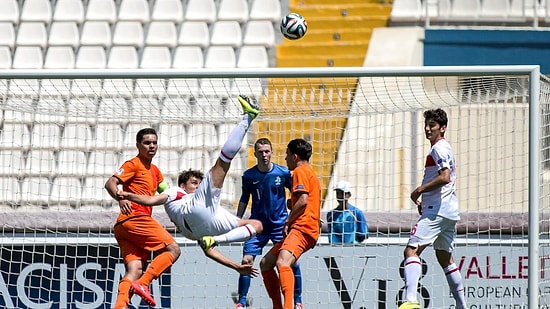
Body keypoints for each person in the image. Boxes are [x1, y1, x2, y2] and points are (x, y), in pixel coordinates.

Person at [116, 95, 263, 277]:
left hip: (204, 227)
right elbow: (153, 199)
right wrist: (128, 195)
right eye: (194, 183)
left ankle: (216, 240)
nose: (198, 187)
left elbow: (209, 251)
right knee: (223, 163)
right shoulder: (176, 192)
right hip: (195, 213)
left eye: (199, 184)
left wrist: (236, 267)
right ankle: (248, 117)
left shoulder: (176, 193)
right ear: (182, 185)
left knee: (256, 225)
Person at [104, 127, 181, 309]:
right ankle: (145, 283)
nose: (151, 146)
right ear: (138, 145)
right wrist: (120, 198)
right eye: (147, 143)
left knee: (135, 269)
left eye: (154, 142)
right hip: (135, 218)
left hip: (124, 227)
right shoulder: (133, 164)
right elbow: (110, 183)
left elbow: (166, 193)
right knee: (173, 250)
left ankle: (120, 306)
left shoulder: (155, 171)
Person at [398, 108, 467, 309]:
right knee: (445, 258)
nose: (427, 129)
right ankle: (462, 305)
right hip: (448, 211)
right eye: (426, 125)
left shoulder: (438, 148)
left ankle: (410, 301)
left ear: (443, 128)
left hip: (437, 210)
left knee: (411, 251)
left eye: (432, 126)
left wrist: (419, 190)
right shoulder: (444, 147)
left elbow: (444, 177)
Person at [234, 138, 304, 309]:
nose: (264, 155)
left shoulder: (282, 173)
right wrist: (236, 221)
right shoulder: (249, 176)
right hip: (257, 225)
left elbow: (297, 194)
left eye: (267, 151)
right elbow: (244, 199)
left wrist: (295, 214)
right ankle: (242, 302)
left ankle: (297, 300)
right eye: (261, 152)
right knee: (246, 260)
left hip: (280, 224)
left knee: (291, 261)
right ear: (255, 153)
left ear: (272, 152)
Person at [259, 138, 321, 309]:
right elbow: (304, 201)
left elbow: (303, 200)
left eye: (287, 155)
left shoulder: (300, 171)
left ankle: (288, 307)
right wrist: (291, 204)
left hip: (303, 228)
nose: (285, 159)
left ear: (294, 156)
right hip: (304, 227)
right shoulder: (310, 172)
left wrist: (288, 220)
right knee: (266, 264)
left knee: (283, 262)